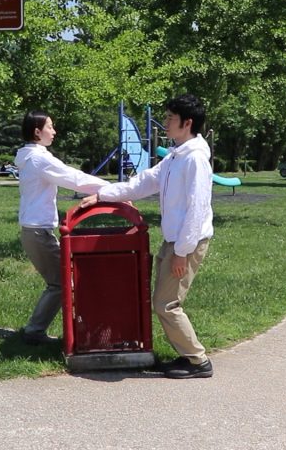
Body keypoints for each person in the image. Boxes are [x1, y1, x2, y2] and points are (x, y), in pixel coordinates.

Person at [80, 94, 214, 379]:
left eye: (170, 119)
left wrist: (182, 251)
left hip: (185, 243)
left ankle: (198, 361)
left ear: (187, 123)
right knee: (163, 302)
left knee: (166, 304)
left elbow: (197, 208)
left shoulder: (195, 159)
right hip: (174, 240)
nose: (165, 123)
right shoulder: (176, 156)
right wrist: (102, 195)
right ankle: (188, 357)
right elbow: (142, 183)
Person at [15, 110, 109, 345]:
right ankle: (35, 332)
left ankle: (42, 330)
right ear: (37, 132)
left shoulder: (29, 156)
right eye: (50, 126)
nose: (54, 131)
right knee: (61, 282)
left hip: (34, 230)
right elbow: (73, 178)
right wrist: (112, 190)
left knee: (61, 281)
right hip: (38, 231)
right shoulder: (39, 159)